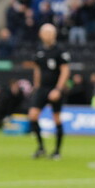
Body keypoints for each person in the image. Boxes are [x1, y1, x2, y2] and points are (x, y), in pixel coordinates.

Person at [23, 23, 70, 160]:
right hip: (42, 89)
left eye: (50, 32)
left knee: (56, 118)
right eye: (45, 32)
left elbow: (65, 70)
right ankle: (41, 148)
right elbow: (37, 69)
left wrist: (58, 89)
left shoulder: (60, 51)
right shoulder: (39, 51)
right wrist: (36, 86)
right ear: (40, 34)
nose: (47, 35)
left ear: (54, 34)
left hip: (55, 88)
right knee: (32, 115)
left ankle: (57, 151)